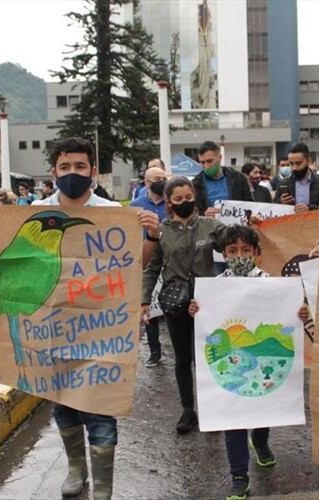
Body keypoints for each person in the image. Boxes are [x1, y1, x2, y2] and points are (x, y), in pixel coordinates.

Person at [0, 138, 159, 500]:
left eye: (80, 167)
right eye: (65, 168)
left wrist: (152, 234)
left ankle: (103, 488)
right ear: (54, 172)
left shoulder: (113, 213)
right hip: (53, 333)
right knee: (63, 402)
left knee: (102, 408)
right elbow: (1, 255)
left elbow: (137, 264)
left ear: (92, 171)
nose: (73, 174)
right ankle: (75, 469)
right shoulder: (31, 212)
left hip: (101, 334)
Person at [187, 224, 310, 500]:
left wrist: (299, 312)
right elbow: (207, 320)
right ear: (224, 254)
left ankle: (260, 441)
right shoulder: (215, 288)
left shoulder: (272, 284)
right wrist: (196, 309)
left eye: (245, 250)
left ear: (257, 253)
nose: (239, 255)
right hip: (233, 367)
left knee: (262, 404)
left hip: (262, 366)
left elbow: (287, 315)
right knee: (234, 415)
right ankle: (239, 475)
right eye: (232, 251)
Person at [141, 176, 226, 435]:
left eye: (188, 198)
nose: (184, 203)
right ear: (169, 203)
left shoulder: (211, 225)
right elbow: (152, 266)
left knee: (207, 357)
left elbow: (234, 245)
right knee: (182, 359)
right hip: (174, 302)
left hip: (207, 301)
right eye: (178, 199)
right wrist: (144, 300)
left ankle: (213, 408)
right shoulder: (162, 231)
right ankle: (188, 409)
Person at [130, 164, 168, 368]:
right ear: (146, 183)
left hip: (169, 260)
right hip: (147, 262)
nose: (161, 182)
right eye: (157, 179)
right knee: (150, 307)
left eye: (163, 178)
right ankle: (155, 351)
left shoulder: (171, 203)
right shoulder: (136, 205)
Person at [192, 141, 253, 217]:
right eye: (202, 162)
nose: (206, 166)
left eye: (210, 161)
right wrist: (204, 215)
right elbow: (191, 213)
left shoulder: (238, 179)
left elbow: (250, 205)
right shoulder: (195, 184)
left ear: (220, 157)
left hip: (236, 226)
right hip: (209, 227)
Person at [273, 142, 319, 212]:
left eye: (298, 163)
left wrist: (310, 209)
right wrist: (281, 203)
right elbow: (274, 209)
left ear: (308, 161)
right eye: (291, 163)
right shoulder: (283, 184)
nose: (294, 168)